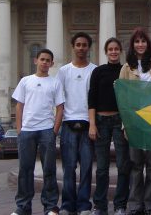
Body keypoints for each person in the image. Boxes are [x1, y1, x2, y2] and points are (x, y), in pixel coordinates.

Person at [11, 48, 64, 215]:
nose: (45, 62)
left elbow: (60, 108)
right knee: (25, 170)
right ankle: (23, 207)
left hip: (47, 130)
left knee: (49, 170)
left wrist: (54, 130)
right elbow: (19, 106)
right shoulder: (25, 81)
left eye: (48, 60)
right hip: (27, 131)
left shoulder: (55, 82)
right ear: (36, 61)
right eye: (42, 59)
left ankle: (50, 207)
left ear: (52, 64)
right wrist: (19, 129)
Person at [119, 28, 151, 215]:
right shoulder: (126, 68)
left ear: (148, 43)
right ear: (132, 45)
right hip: (134, 121)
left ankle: (150, 205)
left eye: (143, 41)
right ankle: (136, 205)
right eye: (137, 41)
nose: (140, 44)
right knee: (136, 165)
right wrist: (125, 123)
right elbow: (122, 97)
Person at [88, 37, 131, 215]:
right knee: (102, 168)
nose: (113, 52)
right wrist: (92, 124)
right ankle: (100, 205)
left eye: (116, 49)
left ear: (120, 51)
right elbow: (92, 98)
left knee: (123, 165)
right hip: (101, 121)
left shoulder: (126, 70)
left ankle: (120, 206)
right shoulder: (98, 71)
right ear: (106, 52)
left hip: (120, 121)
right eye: (110, 49)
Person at [58, 32, 97, 215]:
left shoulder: (94, 70)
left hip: (88, 123)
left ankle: (83, 205)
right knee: (69, 167)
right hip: (68, 124)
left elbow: (95, 98)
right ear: (73, 47)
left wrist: (93, 124)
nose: (81, 48)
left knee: (87, 168)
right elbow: (59, 99)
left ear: (89, 47)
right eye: (78, 45)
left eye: (84, 45)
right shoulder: (64, 71)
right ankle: (67, 205)